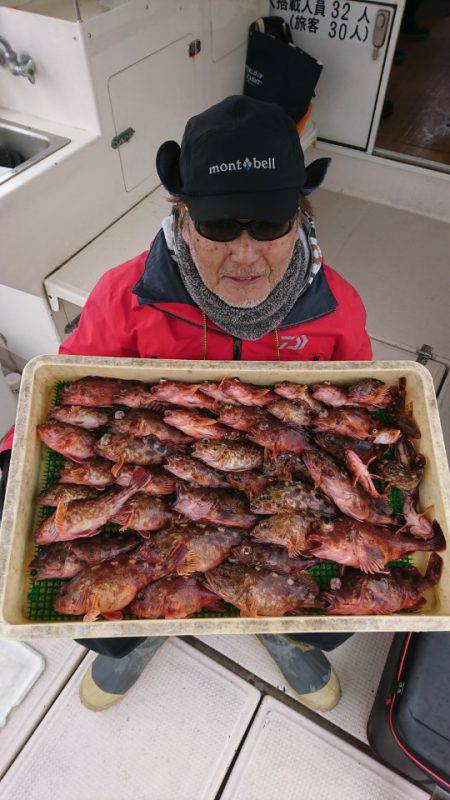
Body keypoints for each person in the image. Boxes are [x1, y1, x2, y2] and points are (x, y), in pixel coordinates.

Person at [0, 95, 372, 713]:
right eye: (220, 227)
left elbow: (359, 419)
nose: (246, 254)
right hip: (147, 505)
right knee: (104, 614)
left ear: (299, 214)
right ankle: (140, 639)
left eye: (270, 225)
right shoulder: (124, 295)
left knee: (319, 614)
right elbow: (65, 388)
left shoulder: (340, 309)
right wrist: (10, 460)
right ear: (183, 215)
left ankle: (278, 632)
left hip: (281, 500)